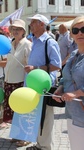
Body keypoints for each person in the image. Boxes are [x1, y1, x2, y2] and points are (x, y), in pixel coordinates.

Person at [25, 14, 61, 150]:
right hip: (35, 85)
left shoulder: (49, 42)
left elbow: (57, 65)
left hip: (44, 85)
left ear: (42, 24)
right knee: (37, 115)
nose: (30, 25)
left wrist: (35, 68)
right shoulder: (35, 41)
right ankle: (39, 144)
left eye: (33, 22)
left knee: (45, 117)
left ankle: (45, 147)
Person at [0, 18, 32, 137]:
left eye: (18, 29)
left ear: (23, 31)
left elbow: (29, 63)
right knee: (13, 112)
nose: (15, 31)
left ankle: (24, 137)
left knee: (21, 111)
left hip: (20, 82)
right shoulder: (10, 44)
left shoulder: (27, 44)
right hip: (9, 81)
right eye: (13, 29)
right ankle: (16, 135)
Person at [53, 16, 84, 150]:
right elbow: (66, 78)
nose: (80, 33)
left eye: (83, 29)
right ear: (71, 34)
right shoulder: (73, 55)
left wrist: (76, 93)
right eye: (76, 30)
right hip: (73, 112)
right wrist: (60, 89)